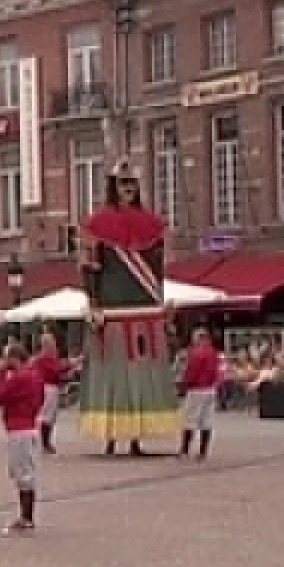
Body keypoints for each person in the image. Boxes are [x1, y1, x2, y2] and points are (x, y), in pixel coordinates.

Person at [78, 161, 180, 456]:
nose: (128, 189)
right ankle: (111, 435)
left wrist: (160, 301)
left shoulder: (153, 224)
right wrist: (93, 302)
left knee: (141, 375)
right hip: (112, 312)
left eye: (132, 184)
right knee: (113, 374)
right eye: (123, 184)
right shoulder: (97, 224)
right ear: (113, 187)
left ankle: (136, 437)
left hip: (145, 309)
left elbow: (158, 268)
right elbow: (90, 268)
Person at [0, 342, 46, 536]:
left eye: (7, 358)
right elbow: (40, 400)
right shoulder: (35, 376)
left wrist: (0, 373)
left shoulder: (20, 377)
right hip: (29, 426)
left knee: (23, 474)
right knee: (25, 471)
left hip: (18, 429)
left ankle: (26, 517)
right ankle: (27, 516)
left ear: (14, 358)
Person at [177, 328, 222, 461]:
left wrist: (183, 385)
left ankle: (184, 451)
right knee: (206, 421)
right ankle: (203, 452)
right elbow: (216, 371)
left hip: (196, 389)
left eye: (194, 337)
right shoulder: (213, 352)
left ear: (198, 338)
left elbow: (191, 371)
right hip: (210, 389)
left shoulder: (196, 353)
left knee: (189, 420)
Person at [29, 334, 71, 455]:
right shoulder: (45, 357)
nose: (55, 345)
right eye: (53, 342)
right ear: (47, 344)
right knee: (47, 416)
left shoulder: (48, 357)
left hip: (52, 387)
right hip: (48, 387)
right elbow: (57, 369)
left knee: (51, 417)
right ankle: (45, 443)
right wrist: (72, 363)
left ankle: (46, 442)